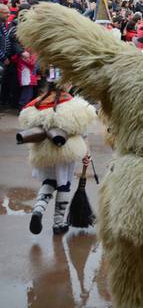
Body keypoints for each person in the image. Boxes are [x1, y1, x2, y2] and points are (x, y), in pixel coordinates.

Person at [18, 74, 97, 234]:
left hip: (43, 151)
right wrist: (86, 154)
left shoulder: (38, 102)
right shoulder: (75, 105)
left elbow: (27, 120)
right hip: (65, 151)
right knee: (63, 185)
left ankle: (38, 210)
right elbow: (83, 133)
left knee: (48, 182)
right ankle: (58, 223)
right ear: (67, 84)